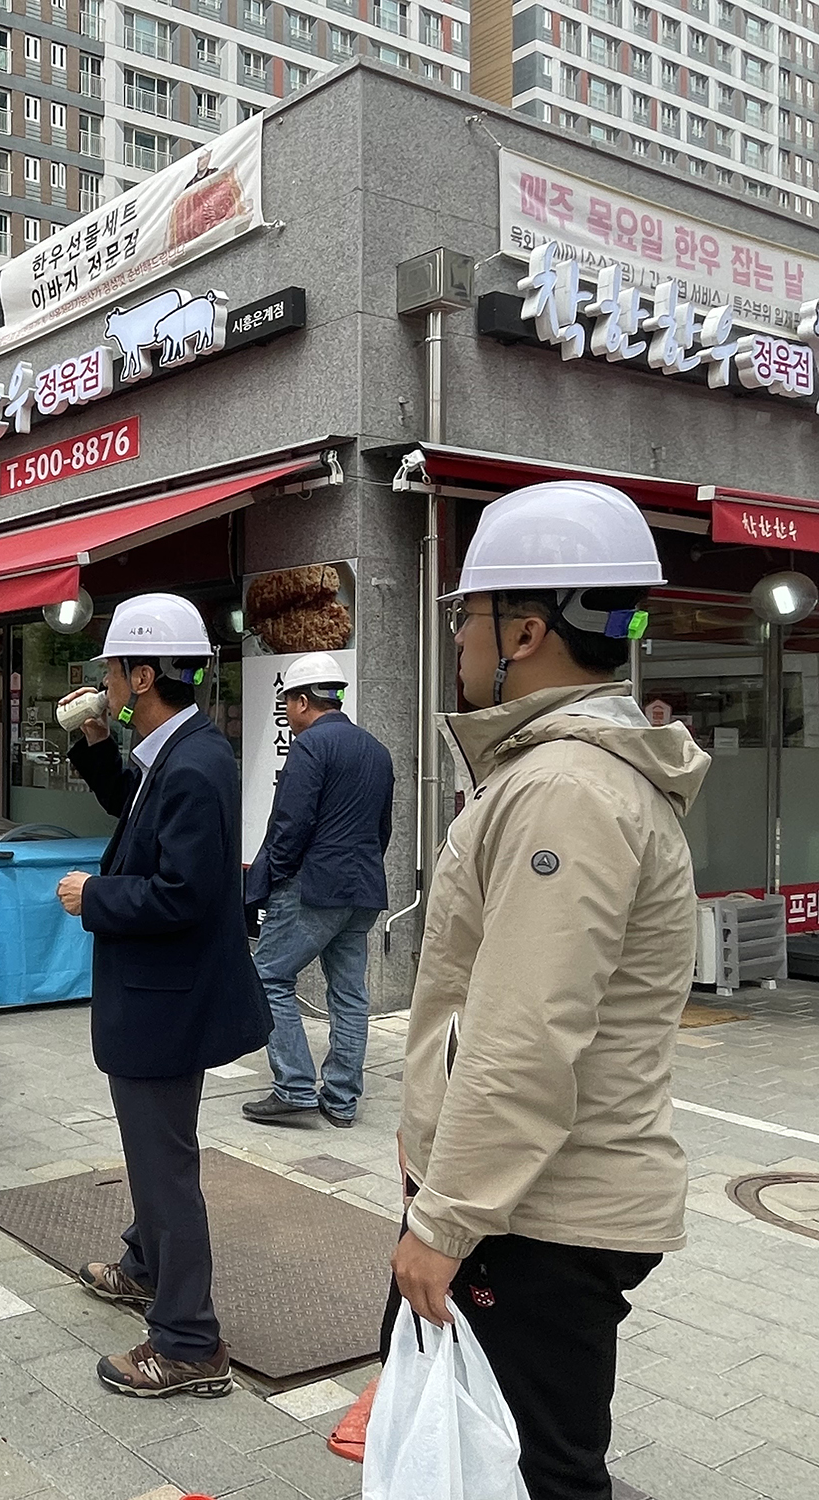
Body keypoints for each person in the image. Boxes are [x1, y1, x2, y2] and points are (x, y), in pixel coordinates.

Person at [390, 481, 705, 1500]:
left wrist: (443, 1222)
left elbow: (522, 1031)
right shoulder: (569, 773)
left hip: (534, 1215)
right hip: (524, 1199)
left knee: (533, 1475)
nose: (457, 638)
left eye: (467, 615)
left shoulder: (562, 788)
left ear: (525, 632)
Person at [55, 594, 270, 1399]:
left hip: (164, 1003)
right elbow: (133, 815)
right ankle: (146, 1267)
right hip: (157, 997)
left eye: (114, 671)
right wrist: (95, 741)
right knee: (155, 1153)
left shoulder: (195, 765)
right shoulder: (175, 751)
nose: (107, 683)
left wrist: (95, 896)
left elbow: (184, 892)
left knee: (164, 1165)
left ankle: (188, 1339)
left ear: (142, 676)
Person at [240, 651, 395, 1129]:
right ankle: (342, 1100)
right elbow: (382, 829)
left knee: (267, 977)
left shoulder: (309, 746)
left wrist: (271, 880)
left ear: (303, 702)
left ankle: (294, 1087)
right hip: (363, 889)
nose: (286, 712)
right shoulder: (376, 749)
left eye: (287, 702)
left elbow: (291, 824)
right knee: (349, 993)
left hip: (314, 887)